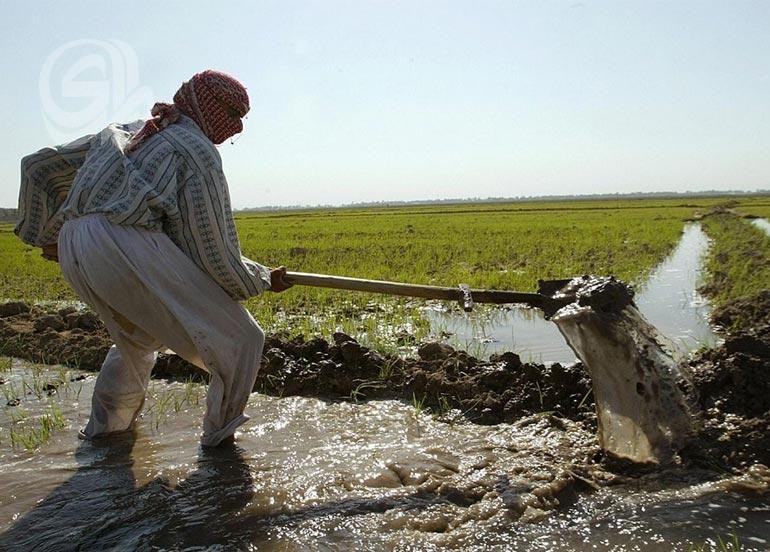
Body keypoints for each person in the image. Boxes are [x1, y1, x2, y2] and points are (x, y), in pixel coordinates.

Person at [15, 69, 291, 446]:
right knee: (242, 338)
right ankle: (220, 445)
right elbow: (212, 250)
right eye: (232, 115)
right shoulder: (195, 150)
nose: (237, 129)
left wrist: (51, 237)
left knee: (138, 339)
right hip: (120, 242)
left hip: (77, 242)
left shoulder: (129, 130)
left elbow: (37, 165)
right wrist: (260, 280)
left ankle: (105, 435)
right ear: (208, 109)